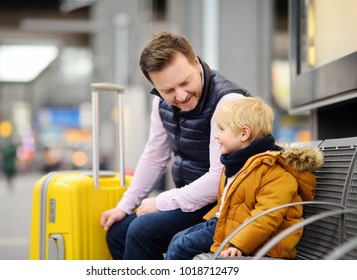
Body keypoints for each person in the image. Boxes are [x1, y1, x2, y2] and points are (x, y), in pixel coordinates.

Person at [100, 31, 250, 260]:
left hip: (226, 206)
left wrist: (161, 201)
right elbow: (154, 157)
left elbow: (217, 180)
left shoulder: (227, 102)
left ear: (196, 63)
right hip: (193, 200)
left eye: (185, 82)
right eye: (168, 90)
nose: (180, 96)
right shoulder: (161, 105)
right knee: (117, 232)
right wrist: (124, 206)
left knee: (142, 230)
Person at [164, 96, 324, 260]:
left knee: (181, 246)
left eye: (222, 129)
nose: (216, 136)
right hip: (227, 226)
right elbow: (229, 203)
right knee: (177, 239)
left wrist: (238, 244)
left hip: (258, 242)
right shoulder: (238, 163)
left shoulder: (275, 172)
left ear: (244, 134)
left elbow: (267, 216)